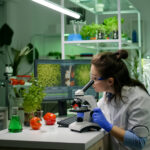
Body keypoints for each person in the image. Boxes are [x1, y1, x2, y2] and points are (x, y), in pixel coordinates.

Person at [90, 49, 150, 150]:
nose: (91, 82)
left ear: (110, 81)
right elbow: (98, 111)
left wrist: (108, 126)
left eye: (95, 78)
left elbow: (139, 142)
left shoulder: (139, 98)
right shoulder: (109, 94)